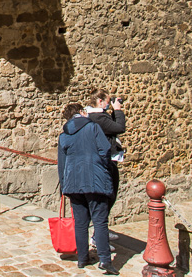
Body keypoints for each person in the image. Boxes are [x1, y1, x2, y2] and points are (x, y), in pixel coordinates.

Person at [58, 103, 116, 274]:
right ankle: (105, 260)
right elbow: (105, 150)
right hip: (95, 180)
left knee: (81, 223)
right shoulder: (93, 128)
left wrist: (64, 186)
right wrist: (104, 169)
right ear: (82, 112)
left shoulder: (64, 135)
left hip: (73, 183)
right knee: (100, 221)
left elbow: (62, 164)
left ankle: (82, 258)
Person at [85, 90, 127, 222]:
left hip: (102, 159)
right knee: (109, 195)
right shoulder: (98, 118)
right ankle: (99, 232)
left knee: (107, 196)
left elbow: (112, 127)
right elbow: (119, 128)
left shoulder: (95, 116)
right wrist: (118, 110)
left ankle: (100, 231)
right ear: (100, 101)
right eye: (108, 102)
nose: (109, 105)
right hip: (107, 160)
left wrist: (114, 112)